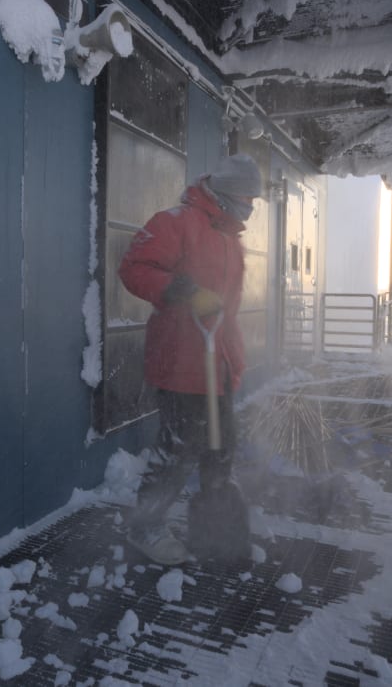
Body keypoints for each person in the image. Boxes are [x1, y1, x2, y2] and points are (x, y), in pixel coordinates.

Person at [117, 153, 263, 565]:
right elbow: (133, 268)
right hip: (181, 360)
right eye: (244, 197)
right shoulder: (174, 222)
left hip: (219, 361)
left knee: (220, 450)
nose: (249, 206)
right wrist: (180, 289)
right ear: (221, 192)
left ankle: (215, 534)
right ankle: (144, 527)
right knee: (178, 451)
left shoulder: (230, 238)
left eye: (253, 199)